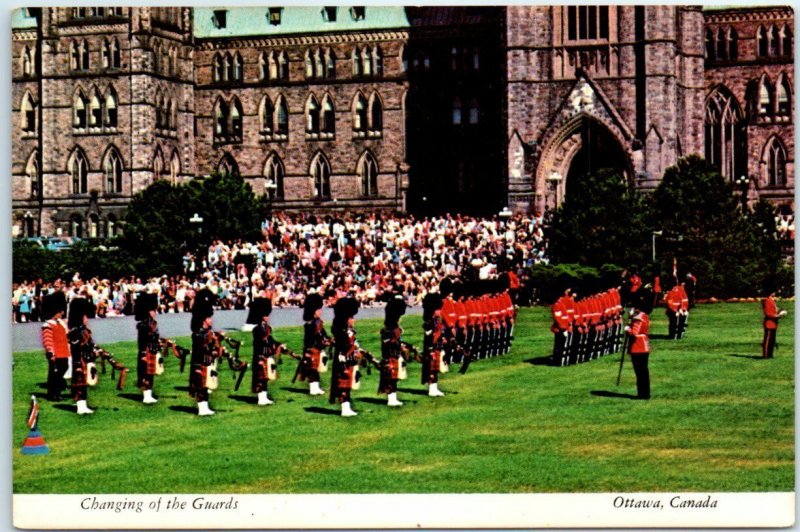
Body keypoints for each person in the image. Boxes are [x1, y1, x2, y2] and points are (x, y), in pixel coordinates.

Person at [329, 297, 361, 417]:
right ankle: (344, 408)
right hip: (344, 360)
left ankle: (347, 406)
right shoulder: (343, 333)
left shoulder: (348, 331)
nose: (353, 320)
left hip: (350, 360)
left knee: (348, 385)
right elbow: (345, 347)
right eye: (351, 318)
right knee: (343, 384)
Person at [189, 289, 219, 416]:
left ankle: (205, 407)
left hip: (207, 363)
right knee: (201, 387)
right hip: (200, 363)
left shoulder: (207, 333)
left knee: (206, 386)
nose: (211, 320)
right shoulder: (198, 334)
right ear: (204, 319)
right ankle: (202, 408)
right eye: (209, 318)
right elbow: (202, 348)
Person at [67, 297, 97, 415]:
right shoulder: (75, 332)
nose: (87, 320)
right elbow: (79, 346)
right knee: (79, 385)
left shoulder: (84, 330)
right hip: (79, 361)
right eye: (85, 317)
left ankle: (83, 405)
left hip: (85, 360)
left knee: (83, 385)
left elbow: (90, 344)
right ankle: (80, 406)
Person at [248, 297, 280, 405]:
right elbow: (258, 344)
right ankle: (260, 398)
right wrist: (259, 358)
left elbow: (270, 340)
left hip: (267, 356)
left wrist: (277, 344)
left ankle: (265, 396)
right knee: (260, 378)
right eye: (266, 315)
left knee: (266, 377)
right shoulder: (257, 329)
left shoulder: (267, 328)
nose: (267, 317)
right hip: (260, 356)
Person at [378, 296, 408, 407]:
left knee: (395, 379)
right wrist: (398, 344)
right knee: (391, 379)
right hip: (390, 356)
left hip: (396, 355)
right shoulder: (388, 329)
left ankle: (394, 398)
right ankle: (391, 399)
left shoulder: (395, 327)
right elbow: (387, 343)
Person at [135, 293, 163, 405]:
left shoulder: (152, 323)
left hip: (152, 351)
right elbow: (144, 341)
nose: (155, 312)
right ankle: (146, 395)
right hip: (145, 352)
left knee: (151, 374)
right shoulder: (143, 325)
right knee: (145, 375)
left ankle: (149, 394)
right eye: (153, 310)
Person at [40, 291, 69, 401]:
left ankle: (57, 391)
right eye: (59, 312)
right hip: (55, 353)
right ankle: (53, 393)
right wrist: (51, 352)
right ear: (54, 311)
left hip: (63, 352)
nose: (61, 313)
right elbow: (47, 340)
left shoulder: (61, 323)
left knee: (62, 370)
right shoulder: (48, 325)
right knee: (55, 373)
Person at [299, 292, 329, 396]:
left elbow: (323, 333)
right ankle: (313, 388)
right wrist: (322, 339)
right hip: (311, 348)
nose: (320, 311)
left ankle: (316, 386)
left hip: (318, 348)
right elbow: (315, 336)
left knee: (316, 369)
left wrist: (328, 339)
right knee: (312, 370)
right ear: (313, 310)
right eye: (318, 309)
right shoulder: (309, 324)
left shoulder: (319, 322)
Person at [626, 290, 653, 400]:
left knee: (640, 372)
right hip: (644, 346)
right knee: (644, 371)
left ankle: (642, 394)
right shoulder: (645, 316)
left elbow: (634, 333)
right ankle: (645, 393)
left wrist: (628, 328)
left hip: (638, 347)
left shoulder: (638, 318)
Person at [421, 293, 446, 397]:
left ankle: (435, 387)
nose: (440, 312)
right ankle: (431, 389)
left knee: (436, 368)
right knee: (431, 369)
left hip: (437, 347)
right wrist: (430, 350)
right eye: (438, 310)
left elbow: (440, 332)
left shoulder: (437, 321)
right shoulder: (429, 322)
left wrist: (443, 338)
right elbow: (428, 338)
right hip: (431, 348)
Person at [762, 279, 788, 359]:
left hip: (773, 324)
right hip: (769, 323)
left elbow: (774, 310)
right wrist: (779, 315)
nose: (774, 293)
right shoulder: (767, 301)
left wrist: (780, 311)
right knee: (767, 341)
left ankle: (770, 355)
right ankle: (766, 355)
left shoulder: (771, 300)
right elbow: (769, 314)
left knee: (772, 341)